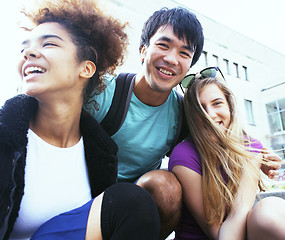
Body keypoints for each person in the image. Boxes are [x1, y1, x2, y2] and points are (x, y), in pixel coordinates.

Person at [85, 7, 282, 239]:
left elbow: (221, 134)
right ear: (143, 50)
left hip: (136, 204)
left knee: (165, 184)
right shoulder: (101, 91)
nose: (171, 59)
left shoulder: (183, 113)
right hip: (84, 194)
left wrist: (259, 156)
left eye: (184, 53)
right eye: (163, 45)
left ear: (189, 65)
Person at [0, 0, 160, 239]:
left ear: (85, 69)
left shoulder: (101, 154)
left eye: (49, 44)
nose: (29, 53)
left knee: (131, 202)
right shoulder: (5, 138)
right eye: (25, 48)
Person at [168, 67, 285, 239]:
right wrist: (250, 171)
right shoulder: (184, 154)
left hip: (245, 232)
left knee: (269, 209)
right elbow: (219, 234)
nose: (210, 115)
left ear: (230, 106)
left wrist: (258, 163)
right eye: (200, 108)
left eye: (217, 103)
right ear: (191, 116)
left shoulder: (251, 147)